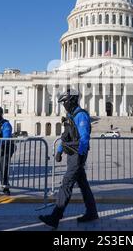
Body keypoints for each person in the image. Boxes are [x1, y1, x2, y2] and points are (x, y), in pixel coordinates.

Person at [39, 89, 98, 229]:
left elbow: (84, 137)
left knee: (66, 184)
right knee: (83, 184)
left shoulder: (81, 115)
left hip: (77, 154)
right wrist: (59, 151)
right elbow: (66, 136)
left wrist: (80, 155)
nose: (63, 105)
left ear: (72, 100)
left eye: (65, 101)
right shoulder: (70, 116)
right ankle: (92, 212)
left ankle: (55, 216)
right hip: (72, 154)